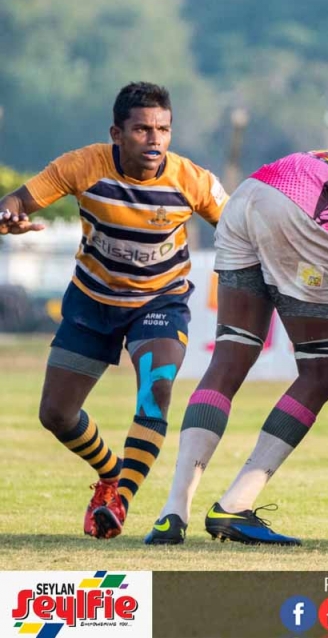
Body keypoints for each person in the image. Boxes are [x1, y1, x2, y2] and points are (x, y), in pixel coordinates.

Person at [148, 147, 328, 545]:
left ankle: (172, 512)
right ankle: (235, 505)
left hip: (252, 191)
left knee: (229, 358)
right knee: (322, 372)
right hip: (300, 207)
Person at [0, 82, 226, 539]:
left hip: (160, 302)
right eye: (142, 129)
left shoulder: (192, 180)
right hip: (92, 303)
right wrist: (8, 215)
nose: (155, 139)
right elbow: (19, 200)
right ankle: (109, 471)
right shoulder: (83, 165)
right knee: (56, 415)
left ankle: (119, 500)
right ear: (116, 134)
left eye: (163, 129)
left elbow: (242, 227)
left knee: (157, 390)